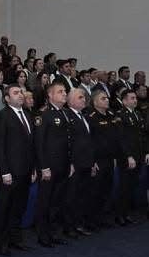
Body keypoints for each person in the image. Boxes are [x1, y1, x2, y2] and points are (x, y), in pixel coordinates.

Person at [0, 84, 36, 255]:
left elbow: (31, 145)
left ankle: (15, 239)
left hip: (26, 170)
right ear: (7, 98)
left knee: (19, 207)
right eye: (16, 93)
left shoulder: (27, 114)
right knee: (5, 208)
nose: (20, 95)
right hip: (10, 172)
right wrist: (4, 171)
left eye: (21, 92)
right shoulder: (1, 116)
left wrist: (33, 168)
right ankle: (0, 242)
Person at [34, 82, 73, 247]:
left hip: (63, 164)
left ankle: (54, 232)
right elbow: (39, 143)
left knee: (57, 201)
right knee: (45, 202)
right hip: (49, 166)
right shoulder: (44, 114)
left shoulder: (65, 113)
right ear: (50, 95)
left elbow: (68, 141)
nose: (64, 94)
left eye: (65, 91)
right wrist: (44, 167)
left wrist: (70, 163)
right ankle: (43, 235)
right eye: (60, 91)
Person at [86, 90, 121, 229]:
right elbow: (88, 141)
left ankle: (102, 218)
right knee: (95, 191)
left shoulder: (111, 115)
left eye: (107, 98)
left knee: (106, 190)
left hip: (110, 159)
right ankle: (91, 221)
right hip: (98, 160)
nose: (107, 100)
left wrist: (115, 157)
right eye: (103, 98)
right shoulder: (91, 117)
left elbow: (115, 138)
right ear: (95, 102)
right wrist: (92, 160)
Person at [63, 88, 95, 238]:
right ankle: (69, 227)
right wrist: (70, 162)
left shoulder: (84, 116)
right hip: (75, 164)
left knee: (82, 195)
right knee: (71, 196)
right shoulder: (67, 116)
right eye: (80, 97)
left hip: (86, 162)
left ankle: (79, 224)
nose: (84, 100)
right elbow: (67, 142)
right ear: (70, 101)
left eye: (84, 97)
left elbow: (89, 141)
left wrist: (92, 161)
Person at [116, 89, 148, 225]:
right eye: (132, 98)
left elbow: (143, 135)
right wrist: (128, 156)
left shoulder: (137, 114)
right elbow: (121, 138)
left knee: (132, 186)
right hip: (127, 157)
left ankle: (126, 213)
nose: (135, 100)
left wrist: (146, 152)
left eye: (135, 98)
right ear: (124, 101)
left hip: (138, 155)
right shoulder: (120, 115)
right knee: (124, 186)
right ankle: (120, 215)